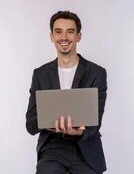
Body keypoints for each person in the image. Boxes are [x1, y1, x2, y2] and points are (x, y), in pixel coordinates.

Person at [26, 11, 107, 174]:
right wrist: (48, 123)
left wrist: (79, 131)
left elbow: (95, 121)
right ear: (51, 37)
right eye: (58, 31)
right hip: (52, 148)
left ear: (78, 36)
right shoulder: (40, 74)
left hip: (86, 147)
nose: (64, 37)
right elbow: (30, 124)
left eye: (70, 31)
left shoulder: (96, 73)